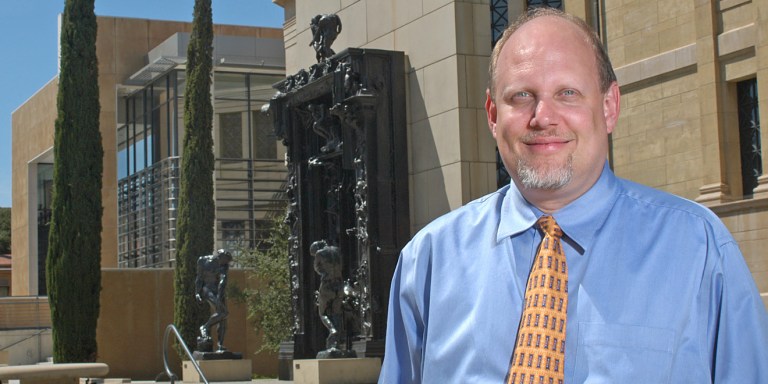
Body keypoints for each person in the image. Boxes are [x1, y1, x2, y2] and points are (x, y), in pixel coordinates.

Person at [379, 8, 768, 383]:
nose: (543, 117)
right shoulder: (427, 262)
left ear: (609, 106)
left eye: (567, 92)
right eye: (521, 96)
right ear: (493, 115)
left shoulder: (699, 249)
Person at [195, 249, 233, 352]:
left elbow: (222, 280)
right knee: (224, 312)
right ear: (219, 256)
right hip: (207, 289)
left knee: (223, 317)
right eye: (225, 260)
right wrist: (197, 293)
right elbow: (199, 278)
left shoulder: (224, 266)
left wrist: (221, 294)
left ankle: (220, 345)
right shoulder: (203, 261)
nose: (226, 263)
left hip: (219, 292)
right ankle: (205, 327)